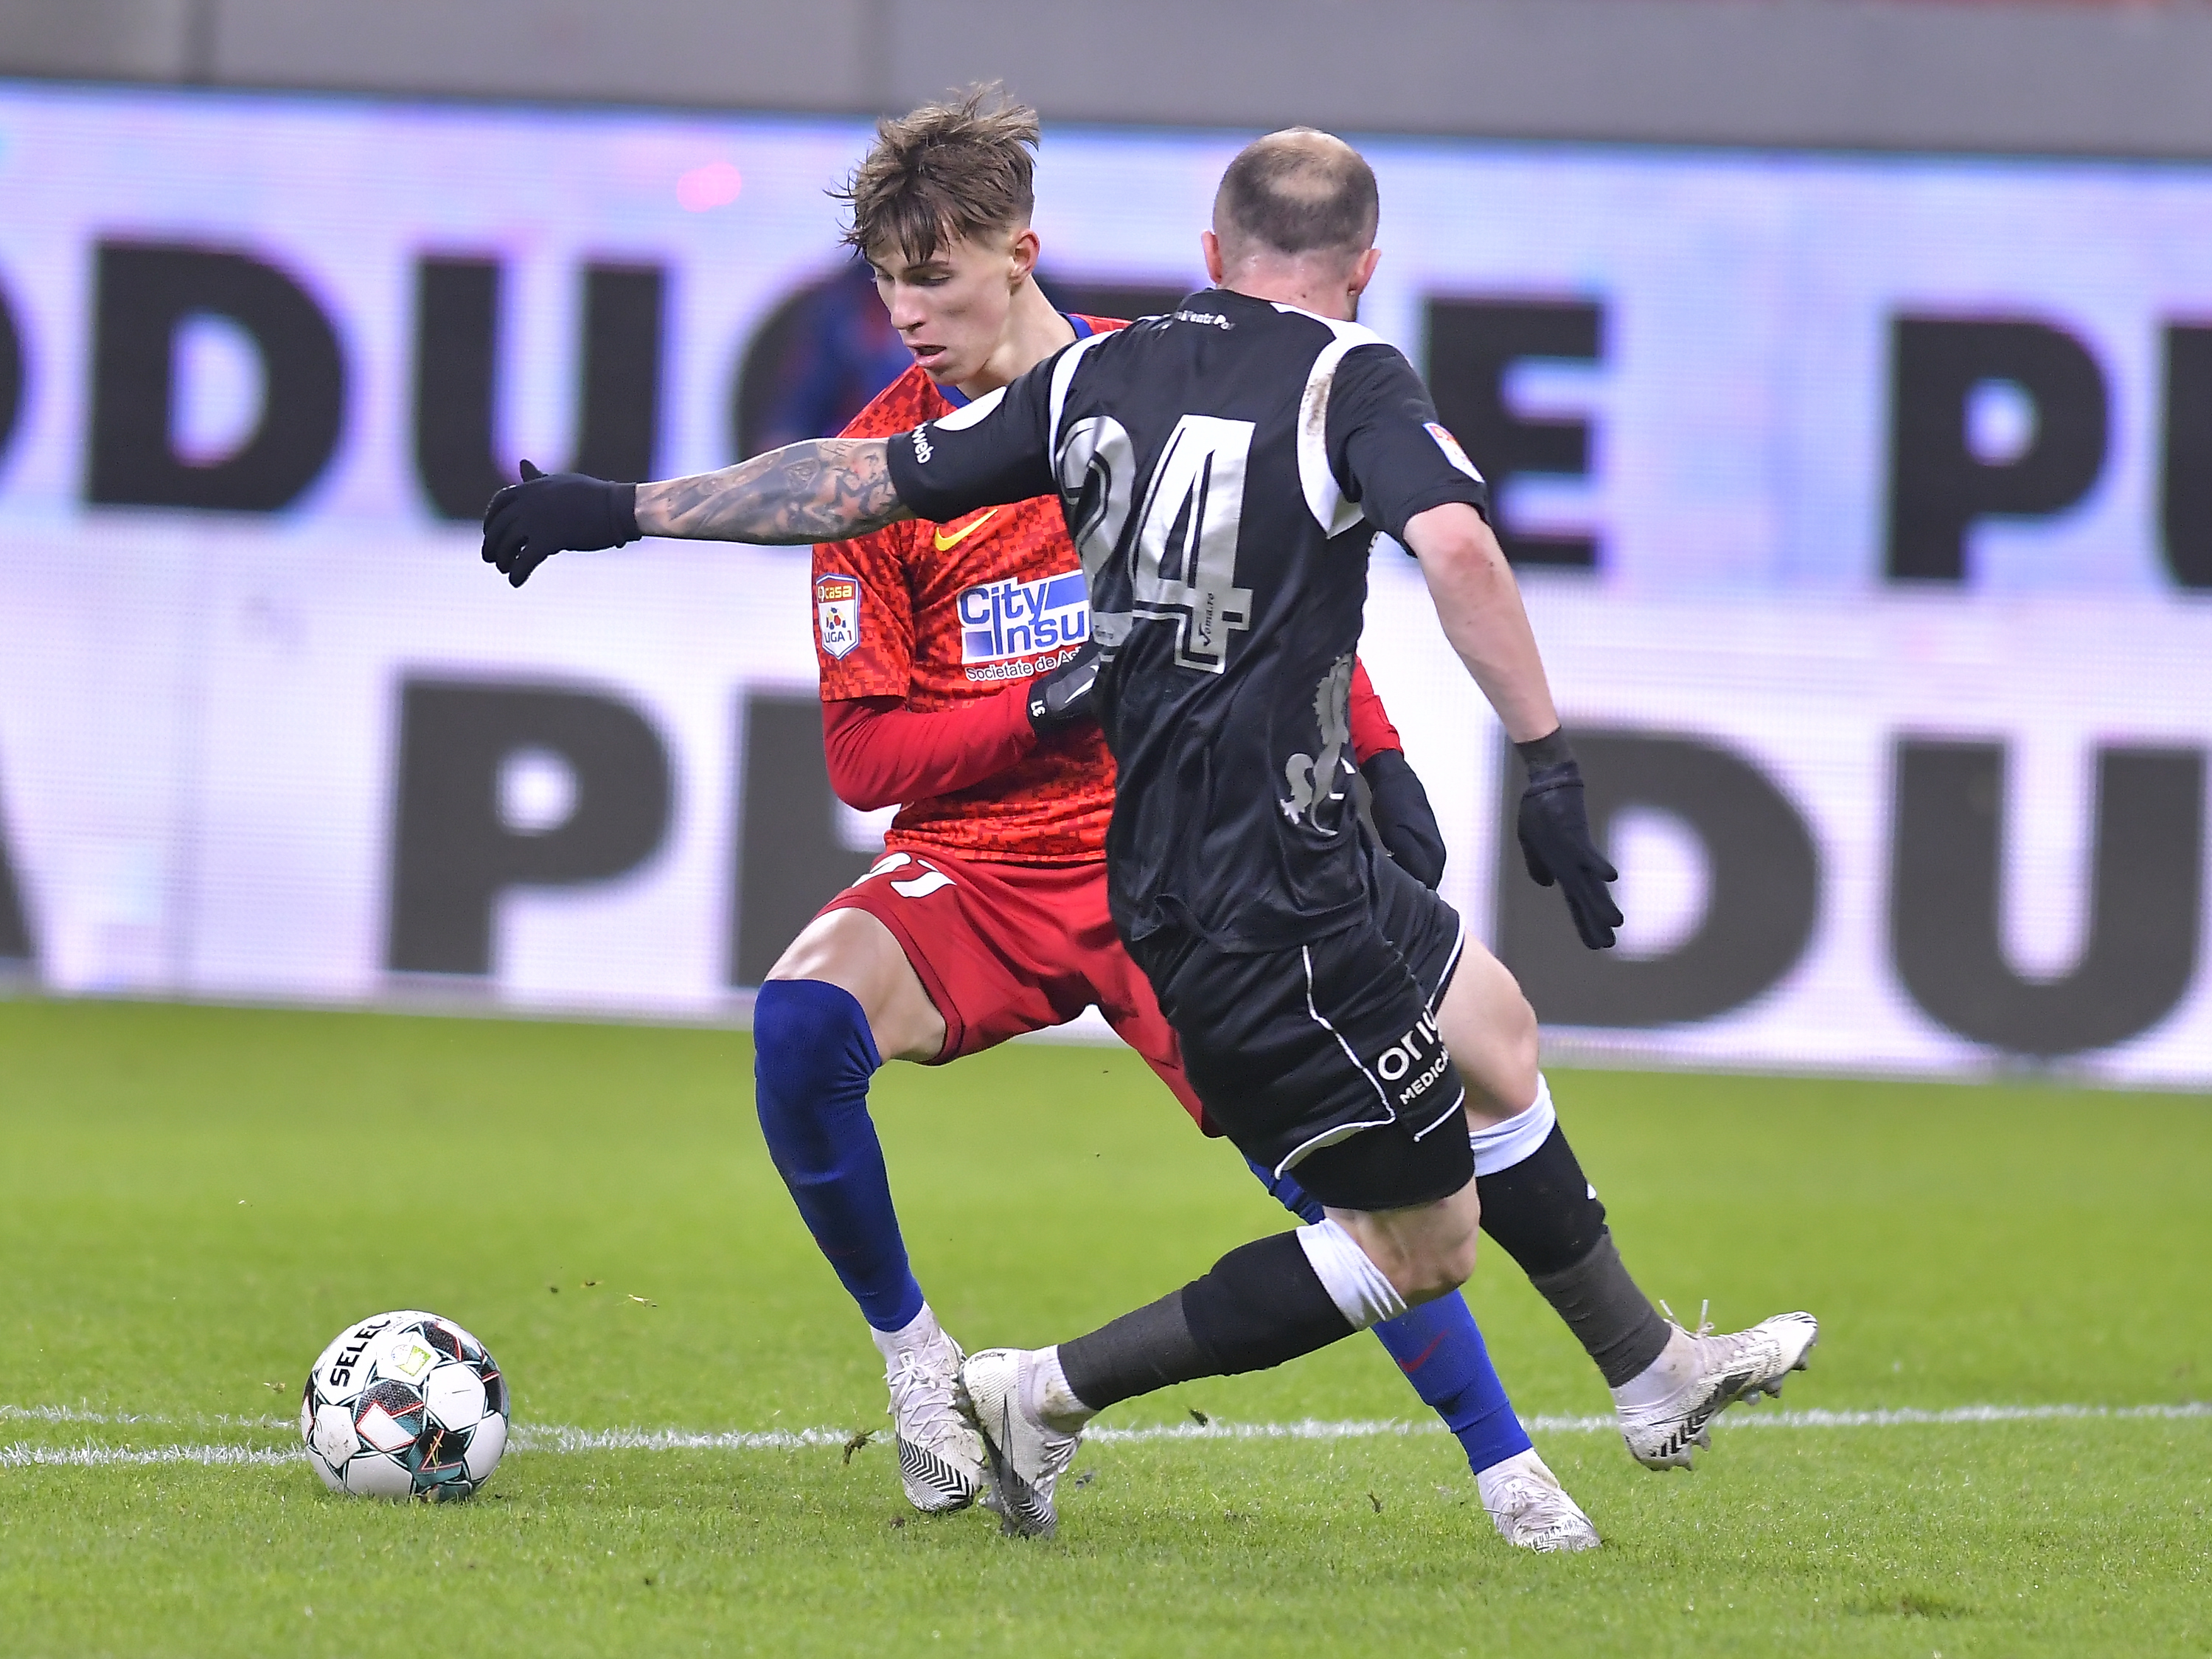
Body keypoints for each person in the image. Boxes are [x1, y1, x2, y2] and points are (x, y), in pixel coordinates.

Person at [481, 122, 1819, 1544]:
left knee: (1471, 1052)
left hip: (1195, 843)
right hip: (1070, 867)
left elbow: (1282, 587)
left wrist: (1380, 758)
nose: (908, 312)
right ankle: (968, 1373)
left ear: (1029, 255)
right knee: (825, 1027)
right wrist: (1036, 704)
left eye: (934, 276)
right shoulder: (1009, 426)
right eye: (887, 283)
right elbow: (866, 735)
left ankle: (1592, 1403)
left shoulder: (1127, 382)